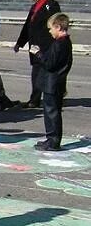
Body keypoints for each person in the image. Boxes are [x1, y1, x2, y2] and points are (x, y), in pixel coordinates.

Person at [14, 0, 61, 109]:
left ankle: (44, 99)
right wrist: (20, 43)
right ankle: (35, 99)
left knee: (45, 73)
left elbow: (57, 24)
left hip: (46, 46)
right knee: (36, 73)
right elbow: (28, 26)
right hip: (35, 46)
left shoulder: (51, 4)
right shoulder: (35, 6)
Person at [32, 12, 72, 152]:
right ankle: (51, 138)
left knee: (52, 112)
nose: (49, 32)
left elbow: (50, 64)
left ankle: (53, 141)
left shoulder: (60, 44)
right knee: (51, 112)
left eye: (51, 29)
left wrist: (38, 54)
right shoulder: (64, 42)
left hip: (52, 83)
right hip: (56, 83)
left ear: (58, 27)